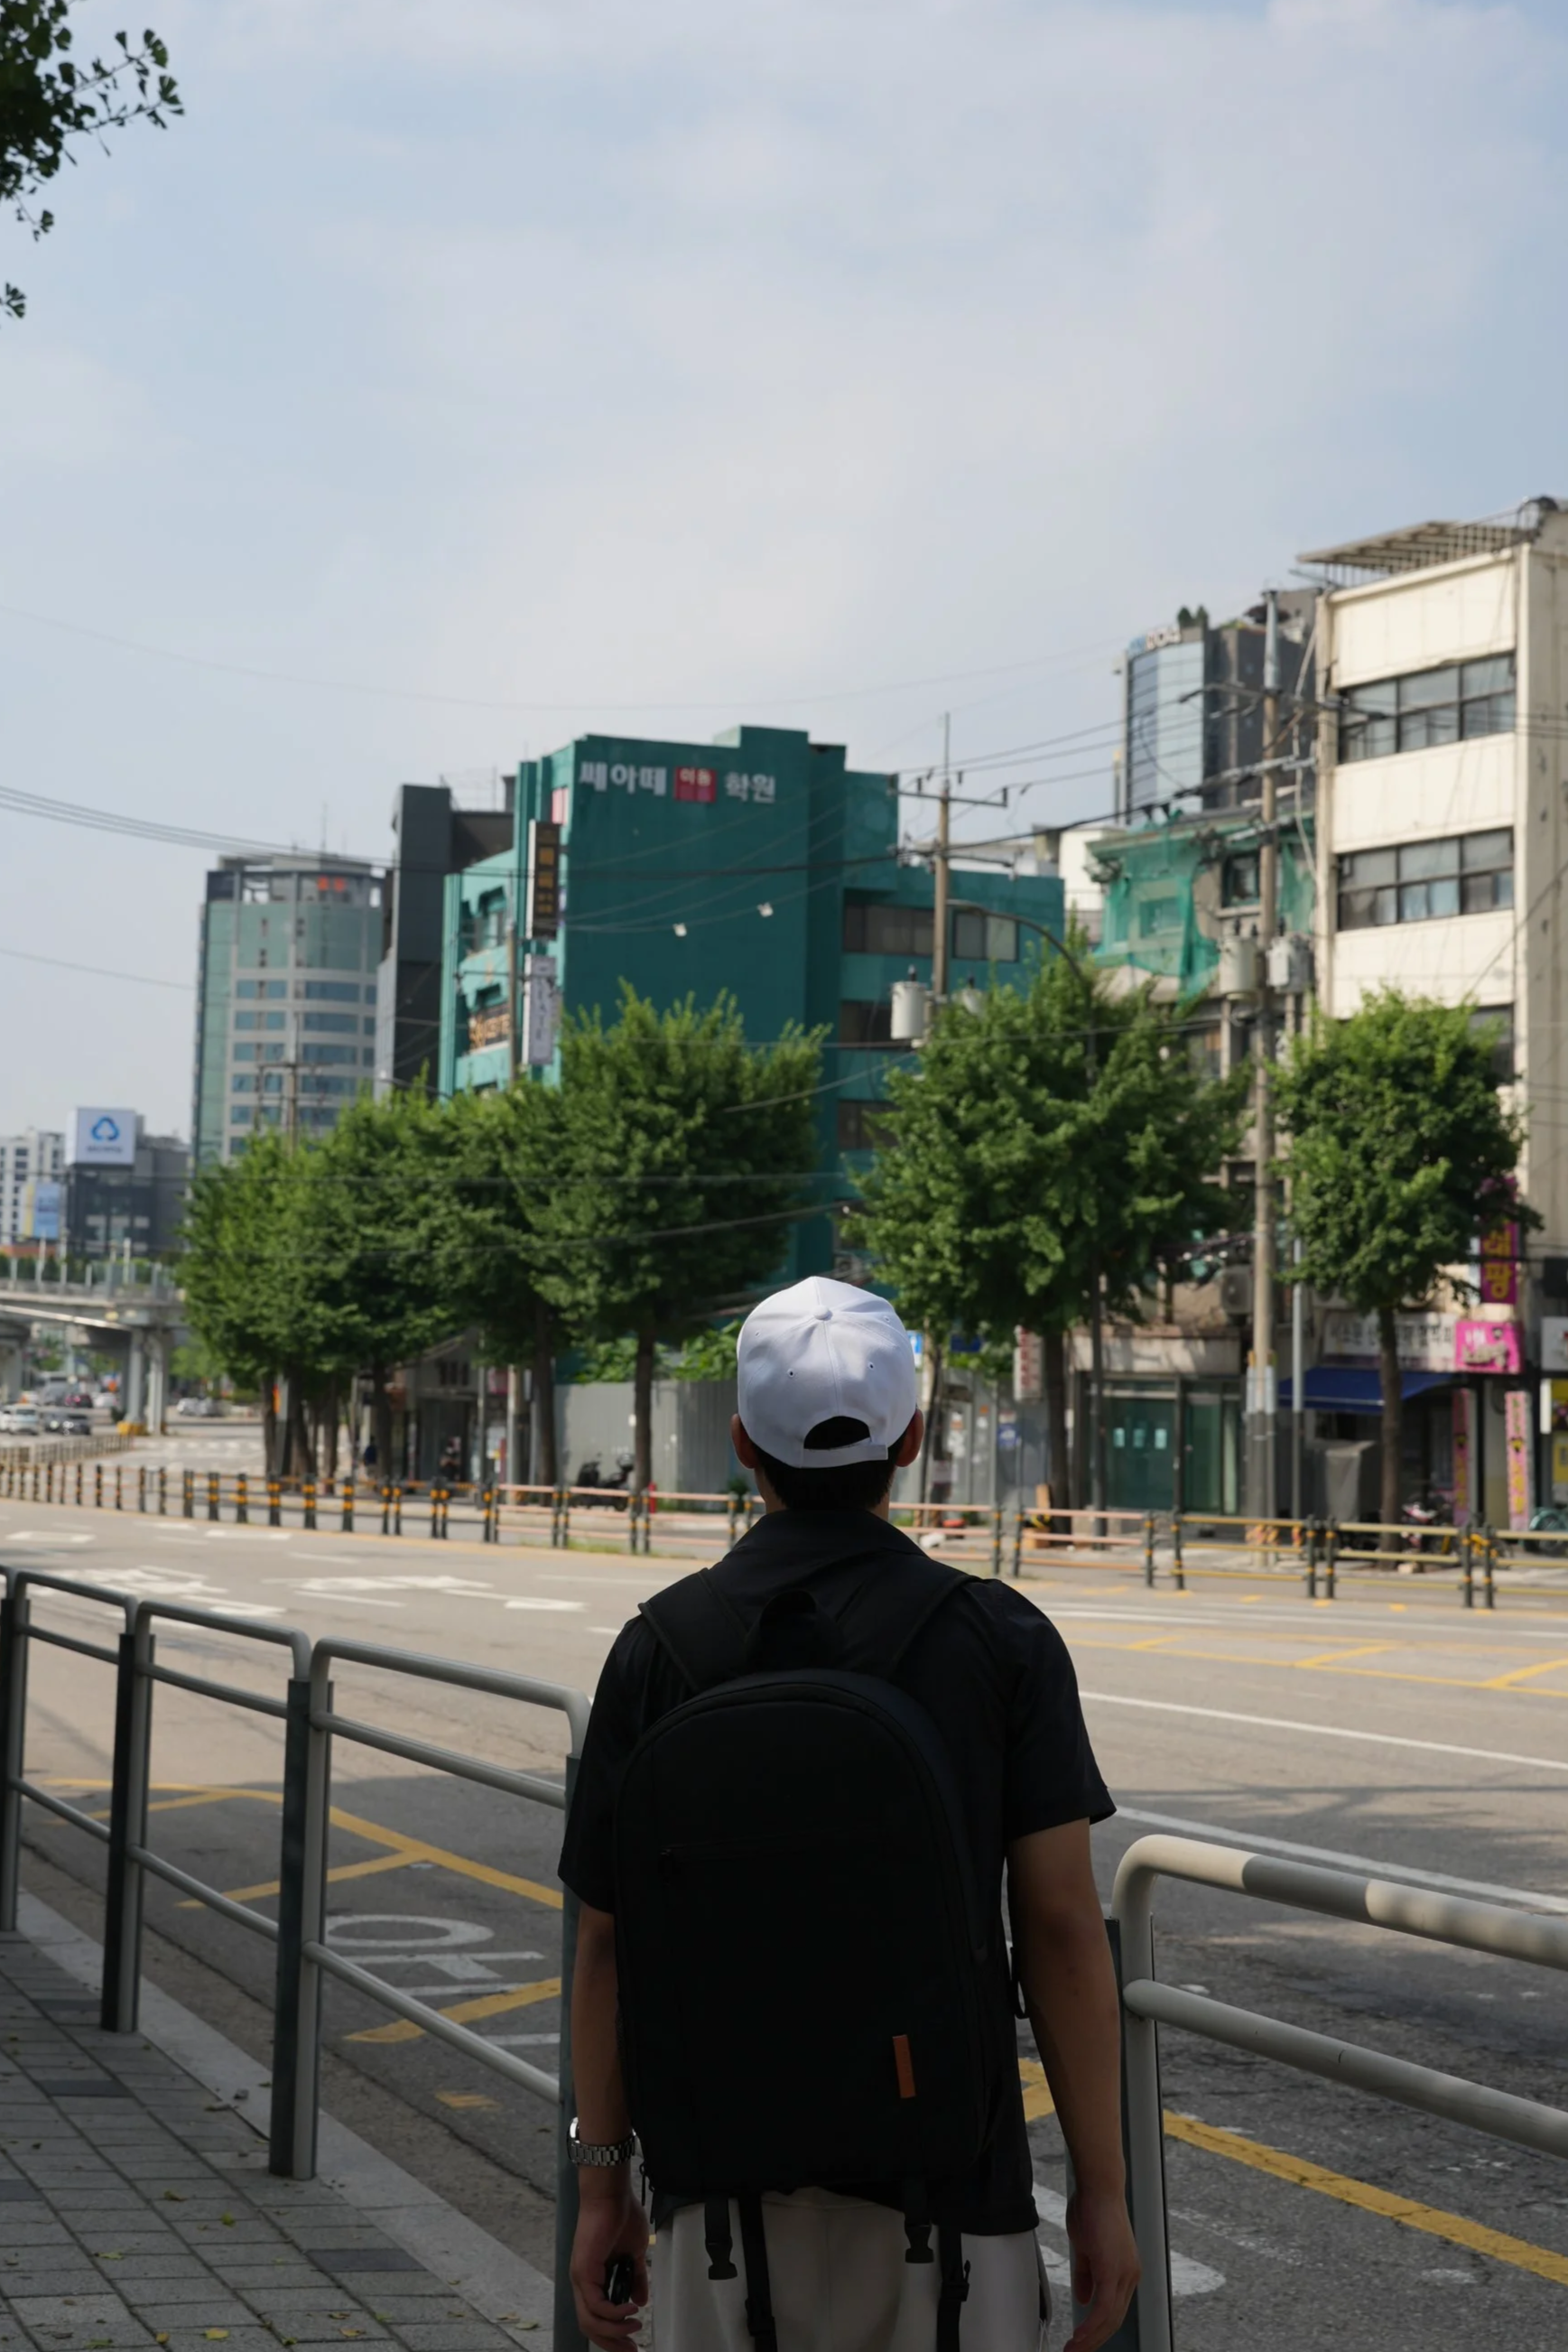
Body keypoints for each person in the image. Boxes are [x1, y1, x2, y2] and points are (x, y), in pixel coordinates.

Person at [559, 1277, 1139, 2352]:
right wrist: (1101, 2191)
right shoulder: (1000, 1642)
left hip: (715, 2207)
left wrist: (602, 2188)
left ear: (741, 1441)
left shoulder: (657, 1650)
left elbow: (604, 1947)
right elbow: (1060, 1927)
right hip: (953, 2209)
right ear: (911, 1437)